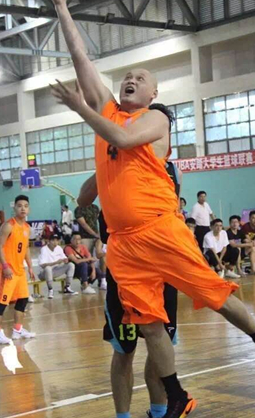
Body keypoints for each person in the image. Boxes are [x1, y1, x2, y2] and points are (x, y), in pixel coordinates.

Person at [48, 0, 255, 415]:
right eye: (127, 76)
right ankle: (177, 395)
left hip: (160, 230)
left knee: (214, 295)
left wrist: (81, 110)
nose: (131, 80)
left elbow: (123, 138)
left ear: (153, 92)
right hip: (123, 243)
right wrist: (61, 6)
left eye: (141, 78)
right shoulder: (107, 109)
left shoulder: (156, 118)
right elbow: (81, 58)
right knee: (149, 325)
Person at [78, 159, 182, 418]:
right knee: (124, 349)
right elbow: (83, 199)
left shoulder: (172, 170)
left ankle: (160, 412)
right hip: (125, 269)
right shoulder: (113, 164)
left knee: (161, 345)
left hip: (162, 268)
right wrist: (107, 166)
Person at [0, 195, 36, 344]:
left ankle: (18, 329)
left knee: (23, 300)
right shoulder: (9, 225)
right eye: (19, 206)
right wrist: (5, 266)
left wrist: (30, 267)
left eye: (25, 206)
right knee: (2, 302)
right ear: (15, 208)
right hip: (8, 270)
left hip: (20, 270)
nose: (23, 208)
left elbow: (26, 248)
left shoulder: (27, 228)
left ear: (29, 209)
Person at [38, 234, 77, 299]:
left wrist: (66, 260)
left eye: (57, 240)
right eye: (53, 240)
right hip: (44, 273)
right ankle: (50, 290)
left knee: (71, 265)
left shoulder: (58, 248)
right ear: (49, 241)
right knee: (48, 268)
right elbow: (42, 265)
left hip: (55, 271)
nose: (55, 242)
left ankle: (67, 287)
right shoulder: (44, 249)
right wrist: (55, 262)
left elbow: (64, 258)